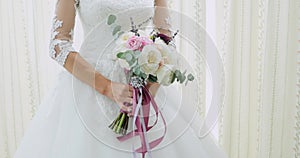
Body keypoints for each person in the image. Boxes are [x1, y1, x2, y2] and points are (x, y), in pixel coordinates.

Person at [13, 0, 228, 157]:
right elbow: (58, 44)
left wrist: (150, 85)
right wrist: (107, 87)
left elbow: (166, 38)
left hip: (143, 85)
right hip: (89, 87)